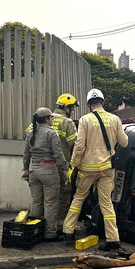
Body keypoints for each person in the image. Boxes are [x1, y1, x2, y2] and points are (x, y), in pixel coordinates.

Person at [62, 88, 129, 251]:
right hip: (107, 168)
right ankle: (113, 240)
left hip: (88, 168)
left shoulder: (85, 120)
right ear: (102, 102)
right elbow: (125, 142)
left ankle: (68, 232)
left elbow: (79, 146)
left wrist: (74, 164)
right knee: (106, 203)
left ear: (88, 104)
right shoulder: (115, 119)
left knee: (78, 198)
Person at [26, 94, 79, 222]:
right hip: (59, 166)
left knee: (39, 199)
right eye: (71, 108)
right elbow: (75, 146)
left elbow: (28, 139)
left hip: (36, 166)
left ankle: (37, 227)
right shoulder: (67, 122)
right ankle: (58, 226)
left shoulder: (39, 120)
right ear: (67, 108)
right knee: (62, 197)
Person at [23, 107, 68, 241]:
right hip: (48, 170)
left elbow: (26, 154)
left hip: (33, 171)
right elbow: (58, 154)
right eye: (51, 117)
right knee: (50, 203)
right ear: (47, 119)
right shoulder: (51, 133)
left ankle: (36, 231)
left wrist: (25, 169)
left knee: (36, 202)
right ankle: (50, 234)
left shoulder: (31, 133)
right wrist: (64, 169)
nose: (53, 119)